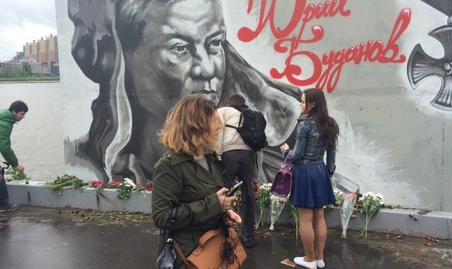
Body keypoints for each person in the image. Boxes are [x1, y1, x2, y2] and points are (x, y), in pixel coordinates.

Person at [68, 0, 301, 184]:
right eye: (179, 47)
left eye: (215, 43)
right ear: (125, 56)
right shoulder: (85, 165)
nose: (208, 69)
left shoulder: (268, 169)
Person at [152, 95, 242, 268]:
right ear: (196, 125)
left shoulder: (210, 158)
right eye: (214, 120)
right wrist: (214, 204)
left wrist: (225, 211)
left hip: (214, 247)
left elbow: (207, 196)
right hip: (189, 255)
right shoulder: (169, 166)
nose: (220, 125)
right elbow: (162, 216)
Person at [280, 88, 339, 269]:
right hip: (320, 171)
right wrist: (328, 173)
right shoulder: (331, 124)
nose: (301, 104)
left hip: (304, 173)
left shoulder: (305, 124)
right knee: (319, 217)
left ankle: (309, 259)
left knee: (305, 219)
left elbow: (296, 156)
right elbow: (331, 155)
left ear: (312, 104)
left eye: (303, 101)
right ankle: (319, 259)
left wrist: (286, 151)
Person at [217, 93, 259, 248]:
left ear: (229, 104)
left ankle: (220, 234)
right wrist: (255, 179)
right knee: (248, 197)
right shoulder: (252, 116)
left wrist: (218, 156)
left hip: (228, 155)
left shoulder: (223, 111)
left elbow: (218, 133)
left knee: (222, 194)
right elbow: (258, 149)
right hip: (248, 156)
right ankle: (248, 238)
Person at [0, 100, 28, 212]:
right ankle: (4, 205)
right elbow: (4, 147)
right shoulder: (5, 124)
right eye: (22, 114)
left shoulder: (3, 115)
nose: (23, 117)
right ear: (14, 112)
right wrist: (15, 164)